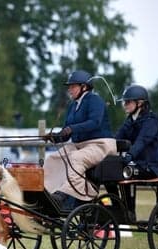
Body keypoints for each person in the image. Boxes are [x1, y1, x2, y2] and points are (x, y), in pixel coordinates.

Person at [43, 70, 117, 210]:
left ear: (84, 87)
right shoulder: (72, 106)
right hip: (79, 145)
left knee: (76, 158)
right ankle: (47, 192)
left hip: (100, 144)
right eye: (69, 87)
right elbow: (66, 133)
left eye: (73, 86)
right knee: (54, 157)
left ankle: (67, 194)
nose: (69, 90)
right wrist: (55, 137)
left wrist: (72, 129)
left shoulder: (95, 100)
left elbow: (95, 122)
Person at [107, 84, 158, 219]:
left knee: (125, 170)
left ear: (140, 103)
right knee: (106, 171)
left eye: (128, 102)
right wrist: (104, 149)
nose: (125, 105)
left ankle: (128, 211)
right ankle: (119, 209)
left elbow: (142, 141)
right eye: (124, 102)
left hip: (152, 166)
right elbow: (117, 138)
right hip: (135, 164)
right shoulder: (130, 120)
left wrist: (130, 155)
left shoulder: (151, 121)